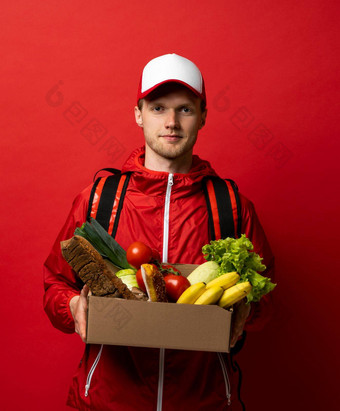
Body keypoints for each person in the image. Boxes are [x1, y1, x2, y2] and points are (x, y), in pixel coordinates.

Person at [43, 53, 274, 410]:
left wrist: (247, 311)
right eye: (157, 108)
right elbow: (54, 283)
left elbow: (265, 294)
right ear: (138, 114)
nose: (171, 122)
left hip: (203, 401)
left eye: (184, 109)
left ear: (203, 116)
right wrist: (73, 306)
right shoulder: (99, 200)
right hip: (109, 401)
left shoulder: (231, 205)